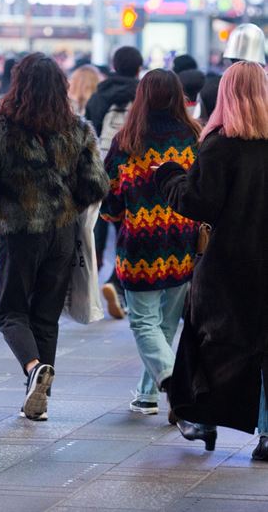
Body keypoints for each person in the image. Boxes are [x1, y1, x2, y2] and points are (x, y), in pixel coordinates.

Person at [0, 53, 109, 421]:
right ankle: (39, 398)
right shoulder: (77, 128)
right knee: (46, 316)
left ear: (18, 84)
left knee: (10, 310)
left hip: (20, 231)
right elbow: (96, 184)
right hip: (61, 234)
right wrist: (66, 201)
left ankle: (32, 370)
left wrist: (0, 208)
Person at [155, 61, 268, 458]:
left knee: (205, 338)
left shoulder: (220, 142)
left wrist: (168, 175)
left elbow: (199, 202)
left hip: (229, 265)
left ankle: (198, 417)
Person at [99, 69, 201, 417]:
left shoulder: (127, 141)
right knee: (166, 324)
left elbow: (110, 199)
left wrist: (117, 216)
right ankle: (147, 395)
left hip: (140, 245)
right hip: (183, 241)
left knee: (144, 323)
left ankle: (175, 387)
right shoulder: (194, 136)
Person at [86, 45, 144, 319]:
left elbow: (89, 133)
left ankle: (86, 291)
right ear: (138, 67)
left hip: (99, 171)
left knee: (94, 233)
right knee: (127, 234)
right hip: (131, 174)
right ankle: (116, 282)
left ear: (113, 65)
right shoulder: (143, 95)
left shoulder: (99, 96)